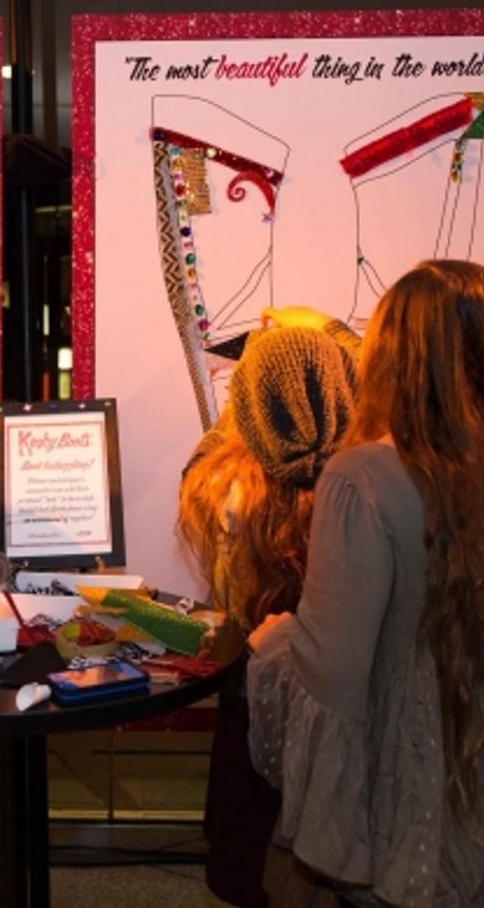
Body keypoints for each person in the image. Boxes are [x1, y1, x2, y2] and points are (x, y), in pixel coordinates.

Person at [247, 260, 484, 907]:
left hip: (415, 818)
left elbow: (332, 680)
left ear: (390, 359)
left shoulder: (361, 482)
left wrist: (273, 645)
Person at [177, 323, 357, 908]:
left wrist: (250, 394)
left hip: (252, 700)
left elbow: (206, 453)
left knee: (246, 865)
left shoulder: (226, 487)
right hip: (338, 710)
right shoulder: (363, 483)